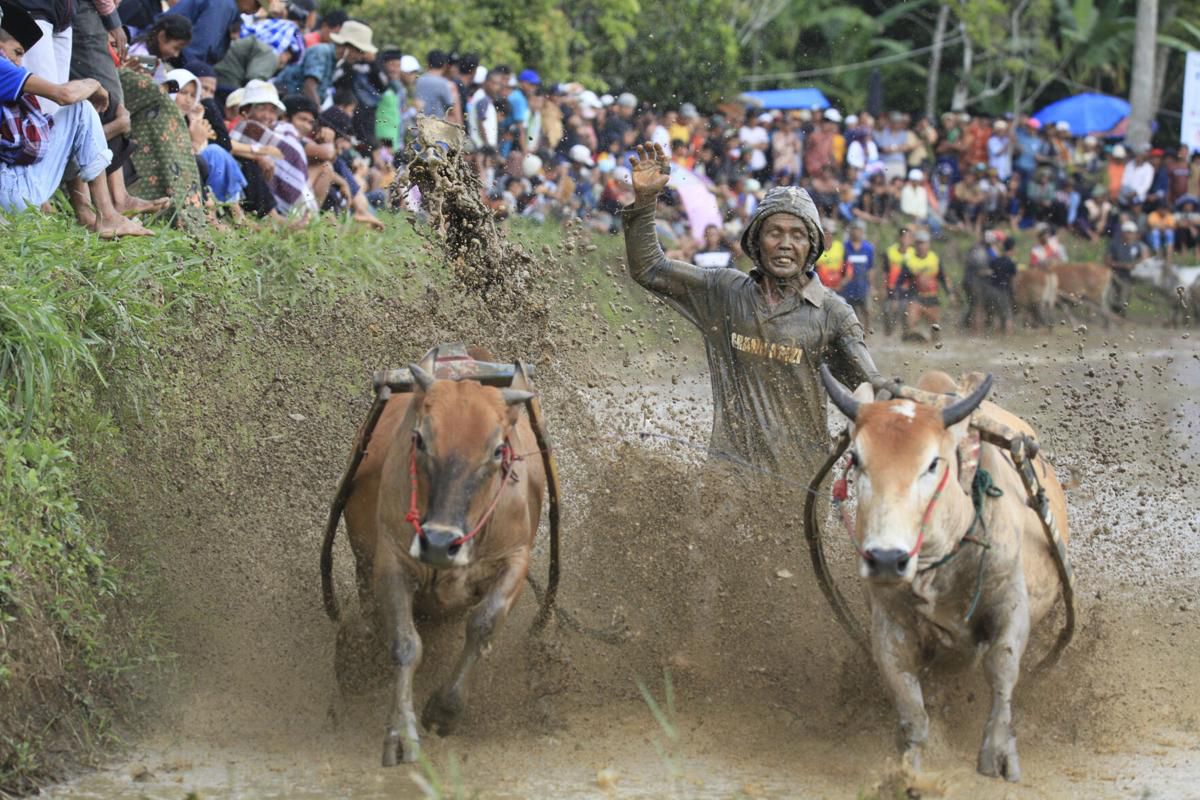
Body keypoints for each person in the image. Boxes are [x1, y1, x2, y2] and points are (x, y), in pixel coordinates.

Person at [623, 142, 882, 472]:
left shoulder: (833, 314)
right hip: (727, 474)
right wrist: (645, 203)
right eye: (775, 232)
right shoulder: (724, 293)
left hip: (800, 480)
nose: (786, 243)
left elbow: (872, 389)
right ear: (757, 241)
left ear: (812, 246)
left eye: (798, 235)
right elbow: (649, 269)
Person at [0, 7, 150, 237]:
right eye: (18, 52)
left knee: (62, 118)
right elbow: (64, 95)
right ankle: (106, 216)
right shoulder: (2, 67)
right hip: (10, 192)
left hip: (12, 189)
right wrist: (94, 84)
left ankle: (87, 212)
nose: (20, 63)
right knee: (79, 109)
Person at [166, 0, 259, 64]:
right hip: (163, 56)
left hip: (167, 55)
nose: (257, 9)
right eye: (257, 3)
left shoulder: (230, 7)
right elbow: (198, 49)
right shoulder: (224, 5)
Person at [900, 229, 952, 339]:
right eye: (918, 243)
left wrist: (950, 293)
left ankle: (931, 346)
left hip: (932, 298)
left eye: (923, 243)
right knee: (909, 323)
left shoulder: (935, 258)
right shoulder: (909, 260)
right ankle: (910, 340)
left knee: (936, 330)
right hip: (915, 298)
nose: (920, 246)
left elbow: (943, 278)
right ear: (915, 245)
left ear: (928, 244)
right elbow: (900, 281)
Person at [1105, 220, 1148, 315]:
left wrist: (1135, 264)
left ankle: (1120, 316)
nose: (1130, 235)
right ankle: (1111, 316)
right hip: (1114, 275)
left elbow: (1144, 259)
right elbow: (1108, 261)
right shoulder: (1114, 244)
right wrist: (1123, 265)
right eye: (1128, 232)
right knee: (1111, 297)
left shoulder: (1138, 245)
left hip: (1129, 276)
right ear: (1123, 233)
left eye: (1132, 233)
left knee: (1123, 299)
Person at [839, 218, 874, 331]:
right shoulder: (844, 247)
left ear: (863, 232)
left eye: (859, 230)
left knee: (867, 310)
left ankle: (868, 330)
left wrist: (871, 285)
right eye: (854, 230)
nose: (856, 232)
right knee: (850, 310)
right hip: (848, 285)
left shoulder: (868, 248)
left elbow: (870, 268)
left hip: (863, 284)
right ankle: (852, 331)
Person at [979, 237, 1016, 335]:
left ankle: (996, 338)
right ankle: (1009, 338)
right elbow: (1013, 280)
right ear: (1012, 249)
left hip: (992, 290)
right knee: (1008, 316)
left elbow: (988, 272)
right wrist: (1013, 293)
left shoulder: (996, 260)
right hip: (1003, 291)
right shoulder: (1011, 263)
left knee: (996, 315)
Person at [881, 227, 913, 336]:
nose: (906, 240)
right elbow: (885, 272)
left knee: (906, 314)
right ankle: (888, 334)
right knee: (887, 311)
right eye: (904, 237)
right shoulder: (890, 252)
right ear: (899, 238)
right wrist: (883, 288)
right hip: (891, 288)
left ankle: (906, 335)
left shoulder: (913, 253)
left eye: (909, 237)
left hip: (908, 290)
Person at [414, 49, 458, 123]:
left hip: (422, 127)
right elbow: (452, 111)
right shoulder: (444, 83)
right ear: (444, 65)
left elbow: (417, 104)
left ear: (428, 64)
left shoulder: (420, 80)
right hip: (437, 128)